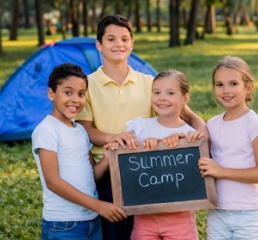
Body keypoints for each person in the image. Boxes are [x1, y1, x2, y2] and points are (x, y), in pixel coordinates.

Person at [75, 15, 208, 240]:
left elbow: (187, 114)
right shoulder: (88, 85)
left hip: (151, 170)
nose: (119, 44)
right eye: (111, 39)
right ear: (99, 45)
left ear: (132, 44)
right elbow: (85, 129)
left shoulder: (149, 83)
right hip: (109, 171)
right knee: (115, 232)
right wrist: (115, 137)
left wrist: (202, 134)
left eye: (125, 39)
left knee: (143, 231)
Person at [31, 63, 127, 240]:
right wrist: (99, 205)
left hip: (92, 221)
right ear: (51, 93)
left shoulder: (80, 131)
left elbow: (92, 175)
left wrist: (108, 158)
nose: (75, 99)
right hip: (64, 224)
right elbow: (53, 182)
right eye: (68, 92)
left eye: (81, 94)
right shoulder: (47, 130)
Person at [198, 56, 258, 240]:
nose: (225, 90)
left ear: (248, 88)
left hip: (249, 213)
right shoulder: (212, 124)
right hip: (217, 211)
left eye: (233, 83)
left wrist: (221, 171)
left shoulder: (255, 125)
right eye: (219, 84)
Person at [124, 70, 203, 240]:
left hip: (180, 220)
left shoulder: (190, 135)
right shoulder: (140, 128)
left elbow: (198, 175)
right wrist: (139, 147)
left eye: (170, 93)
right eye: (156, 92)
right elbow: (126, 165)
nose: (162, 98)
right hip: (143, 219)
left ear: (185, 99)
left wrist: (185, 144)